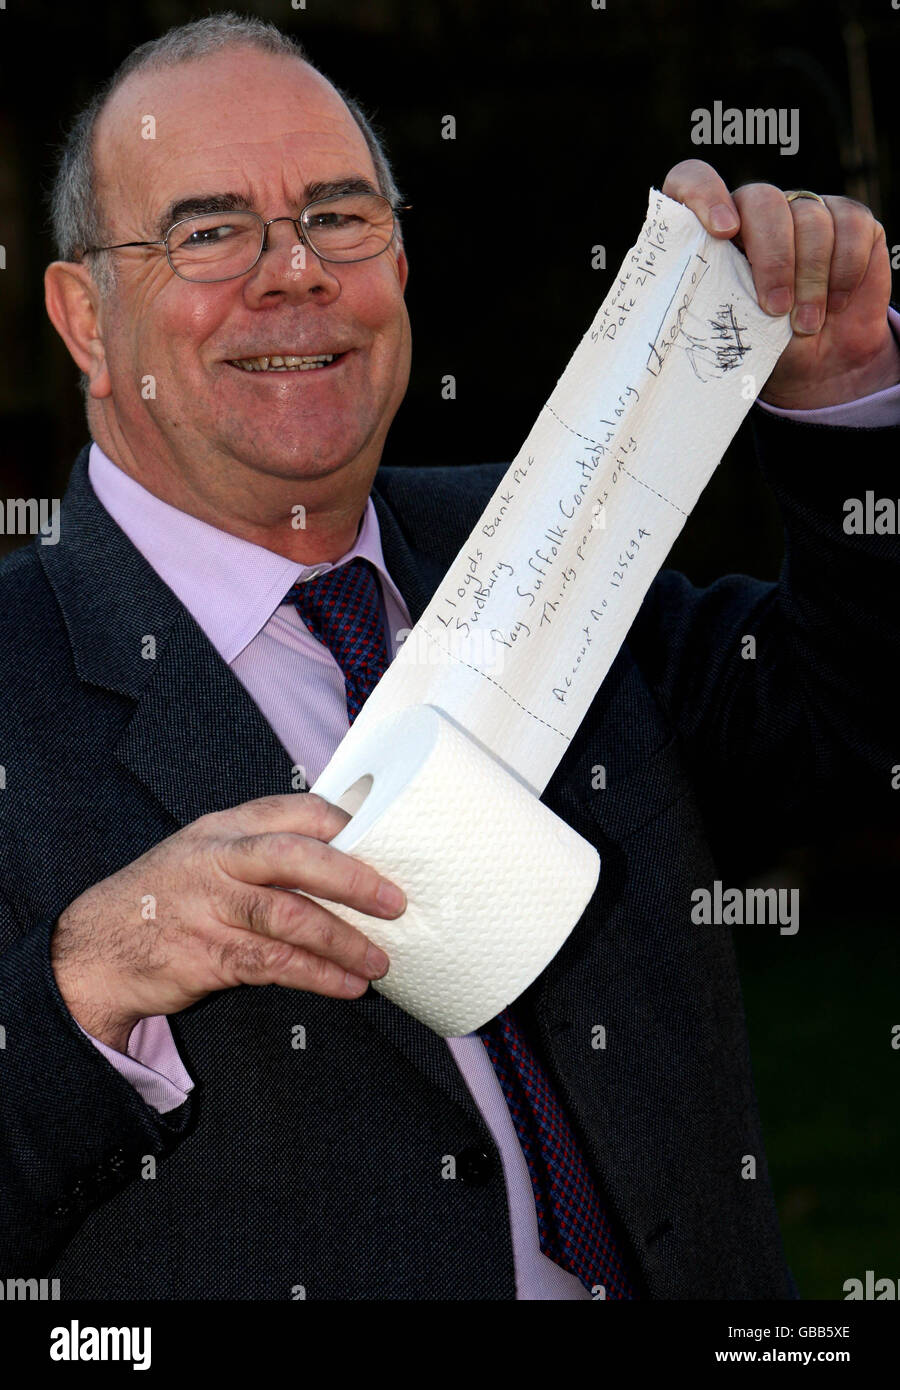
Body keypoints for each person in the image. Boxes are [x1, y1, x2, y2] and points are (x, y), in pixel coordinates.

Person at [1, 13, 897, 1300]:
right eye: (208, 232)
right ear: (85, 318)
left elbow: (853, 728)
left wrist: (846, 389)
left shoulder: (547, 539)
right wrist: (88, 979)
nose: (293, 272)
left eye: (338, 216)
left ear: (400, 262)